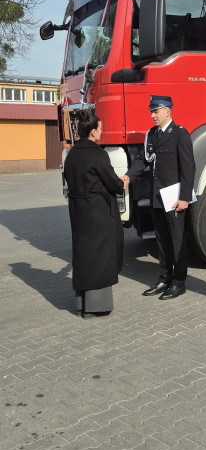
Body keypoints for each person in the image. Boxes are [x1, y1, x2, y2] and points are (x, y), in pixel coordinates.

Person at [123, 95, 195, 300]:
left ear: (168, 111)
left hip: (174, 197)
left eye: (156, 111)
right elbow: (143, 160)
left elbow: (188, 168)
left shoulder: (180, 134)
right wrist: (128, 176)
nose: (152, 115)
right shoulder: (152, 134)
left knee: (177, 239)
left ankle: (179, 282)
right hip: (157, 196)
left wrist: (184, 198)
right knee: (162, 240)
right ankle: (164, 278)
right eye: (151, 111)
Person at [63, 111, 126, 319]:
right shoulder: (98, 154)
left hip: (78, 211)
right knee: (99, 256)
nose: (102, 131)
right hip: (98, 212)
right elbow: (113, 184)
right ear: (92, 132)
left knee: (83, 255)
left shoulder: (72, 153)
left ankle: (81, 305)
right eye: (100, 128)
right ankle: (96, 307)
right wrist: (123, 182)